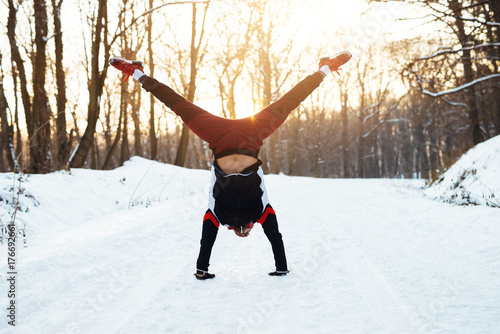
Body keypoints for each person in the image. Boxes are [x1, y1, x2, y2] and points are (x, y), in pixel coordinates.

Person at [109, 51, 352, 280]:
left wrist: (201, 270)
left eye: (242, 233)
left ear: (232, 229)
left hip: (219, 138)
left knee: (178, 105)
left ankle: (137, 72)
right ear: (251, 227)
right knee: (290, 101)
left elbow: (206, 240)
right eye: (248, 232)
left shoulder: (219, 214)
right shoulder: (260, 212)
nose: (245, 231)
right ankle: (325, 69)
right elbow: (275, 237)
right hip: (253, 134)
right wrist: (281, 269)